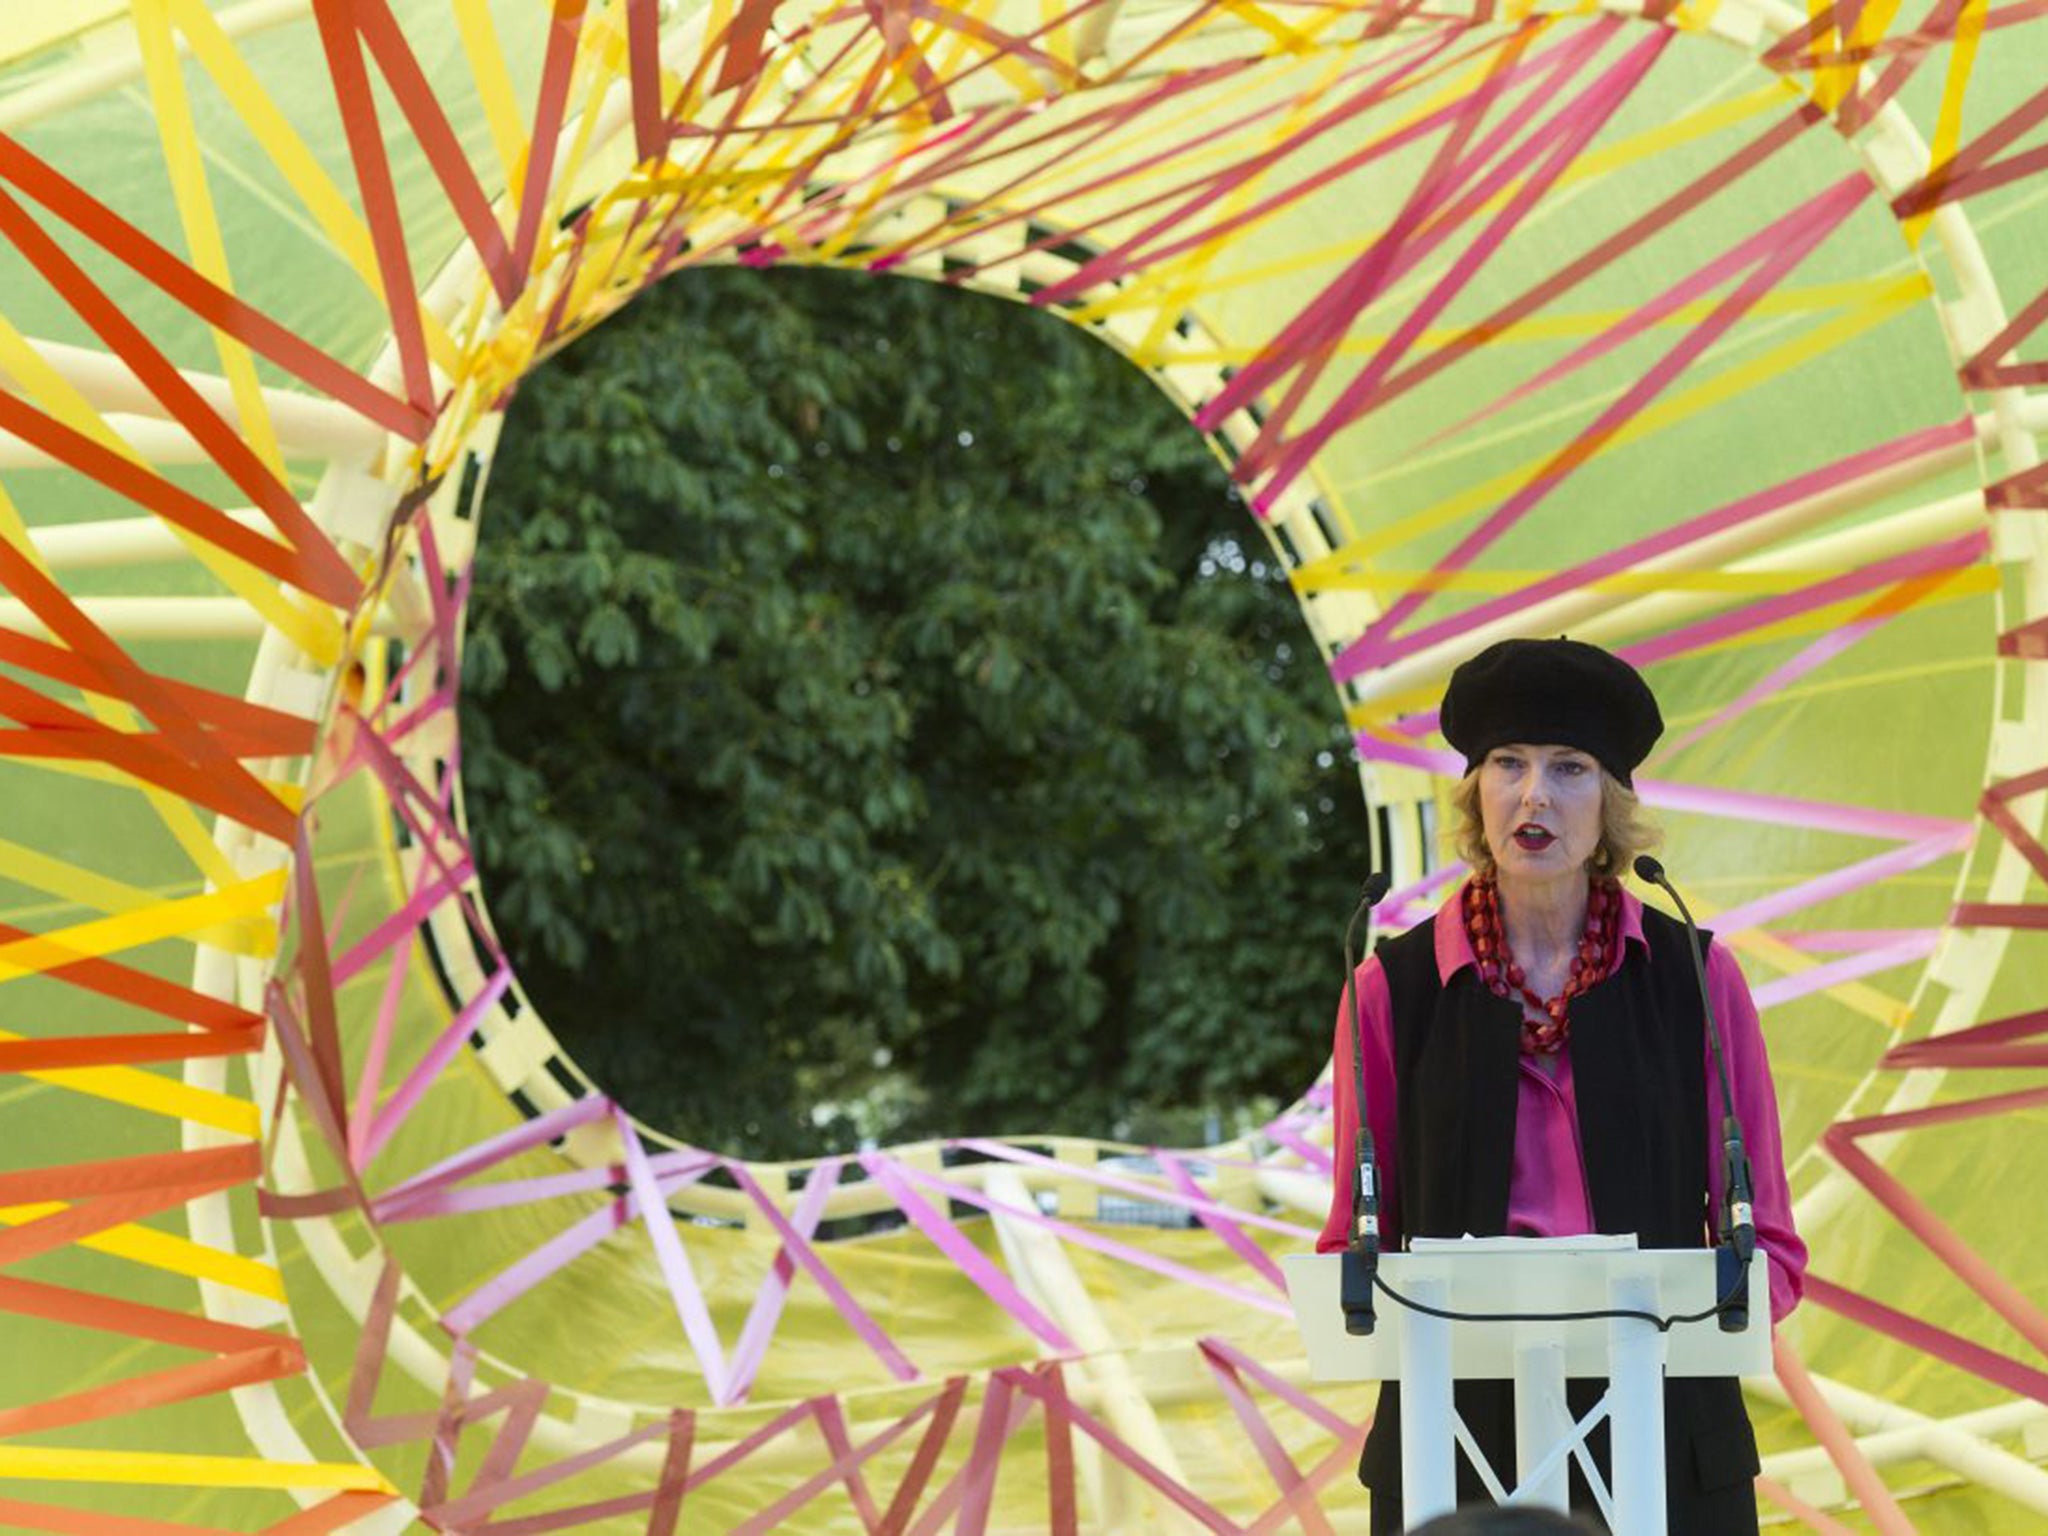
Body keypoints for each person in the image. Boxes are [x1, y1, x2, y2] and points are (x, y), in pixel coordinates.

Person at [1316, 637, 1807, 1536]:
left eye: (1569, 768)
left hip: (1668, 1433)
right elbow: (1352, 1246)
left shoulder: (1696, 979)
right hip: (1453, 1444)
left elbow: (1769, 1249)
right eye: (1509, 763)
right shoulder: (1392, 990)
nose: (1534, 794)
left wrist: (1699, 1306)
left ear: (1610, 805)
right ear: (1477, 792)